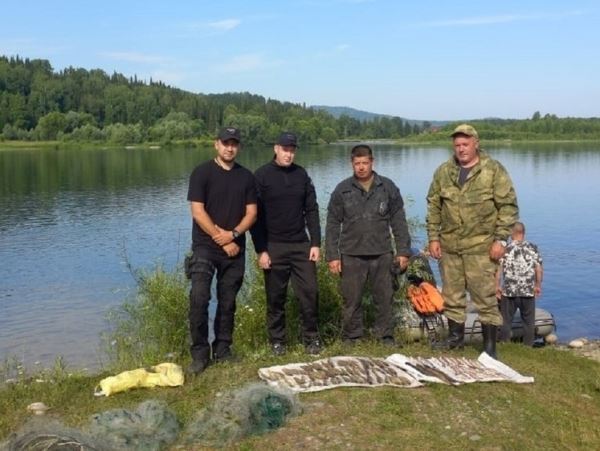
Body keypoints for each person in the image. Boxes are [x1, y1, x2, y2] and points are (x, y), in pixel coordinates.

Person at [426, 123, 518, 359]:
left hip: (482, 248)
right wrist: (433, 238)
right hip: (450, 247)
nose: (461, 149)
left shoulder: (493, 170)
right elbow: (434, 205)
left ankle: (489, 348)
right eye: (457, 145)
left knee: (485, 298)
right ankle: (455, 341)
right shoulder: (444, 171)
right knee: (452, 296)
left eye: (465, 144)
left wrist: (501, 240)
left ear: (476, 143)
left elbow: (508, 207)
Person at [186, 126, 257, 375]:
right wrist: (221, 238)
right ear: (216, 144)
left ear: (238, 146)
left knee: (228, 302)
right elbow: (197, 211)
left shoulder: (247, 177)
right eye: (226, 143)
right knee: (199, 298)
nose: (230, 148)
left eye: (234, 144)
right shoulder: (202, 173)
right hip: (206, 247)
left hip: (236, 247)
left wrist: (234, 235)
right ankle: (199, 354)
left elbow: (252, 213)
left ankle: (223, 350)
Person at [325, 144, 411, 346]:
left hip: (382, 252)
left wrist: (403, 251)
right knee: (351, 300)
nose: (361, 167)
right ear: (352, 164)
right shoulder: (342, 190)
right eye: (357, 163)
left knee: (384, 298)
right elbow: (332, 224)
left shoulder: (387, 187)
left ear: (372, 162)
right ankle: (352, 336)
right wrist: (332, 256)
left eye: (365, 163)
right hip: (351, 253)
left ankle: (385, 336)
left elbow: (398, 220)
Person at [251, 131, 322, 356]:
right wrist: (261, 250)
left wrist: (315, 243)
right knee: (275, 297)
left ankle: (311, 338)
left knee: (310, 292)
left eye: (292, 150)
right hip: (274, 245)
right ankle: (277, 341)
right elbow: (255, 217)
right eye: (285, 149)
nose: (289, 154)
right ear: (276, 149)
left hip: (301, 244)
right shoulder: (261, 176)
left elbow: (311, 210)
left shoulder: (301, 175)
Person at [496, 222, 543, 346]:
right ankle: (528, 346)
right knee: (528, 322)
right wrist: (538, 285)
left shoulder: (505, 249)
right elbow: (538, 269)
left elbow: (499, 270)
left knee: (506, 321)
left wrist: (497, 286)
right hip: (527, 291)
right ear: (523, 233)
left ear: (512, 233)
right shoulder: (533, 247)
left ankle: (504, 344)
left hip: (509, 291)